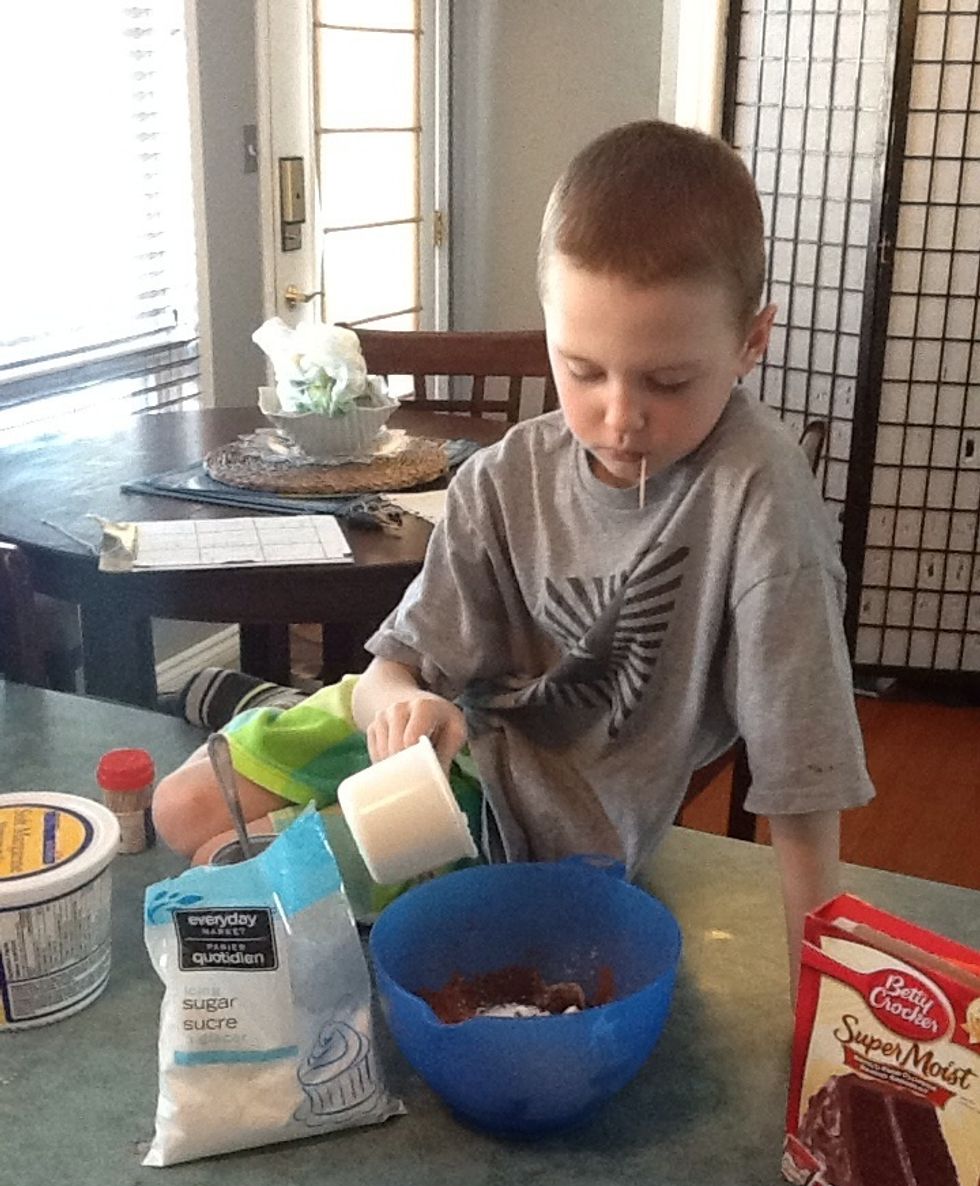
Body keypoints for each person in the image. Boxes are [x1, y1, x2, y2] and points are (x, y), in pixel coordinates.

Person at [153, 120, 873, 988]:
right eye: (582, 368)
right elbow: (395, 670)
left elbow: (804, 771)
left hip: (519, 826)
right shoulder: (502, 479)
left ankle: (252, 710)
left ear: (751, 341)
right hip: (415, 741)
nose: (619, 415)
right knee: (175, 808)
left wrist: (823, 985)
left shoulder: (759, 497)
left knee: (234, 876)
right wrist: (404, 704)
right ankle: (265, 709)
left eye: (668, 381)